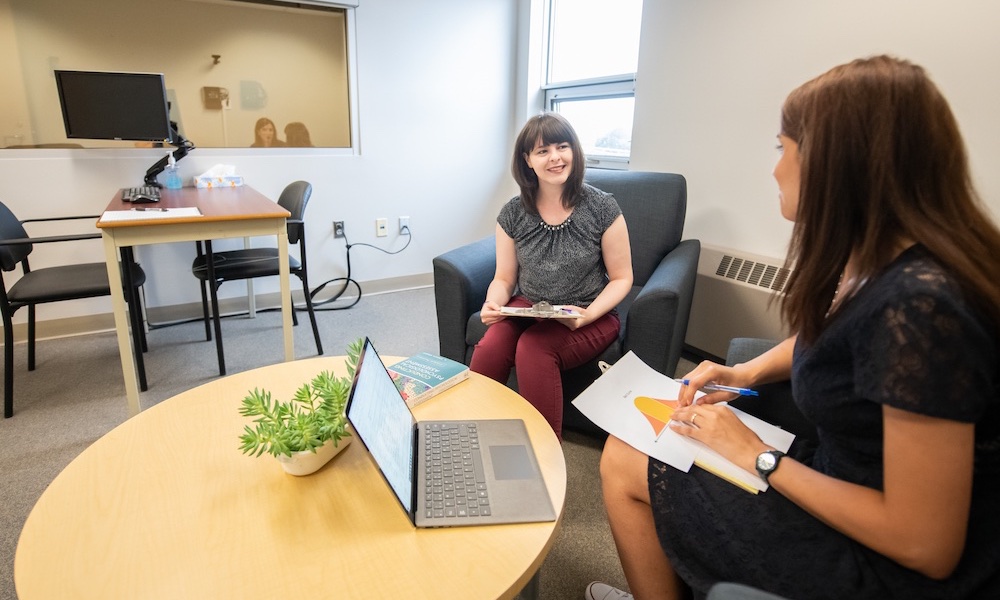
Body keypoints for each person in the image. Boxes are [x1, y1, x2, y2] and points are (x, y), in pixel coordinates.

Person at [588, 55, 1000, 600]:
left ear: (837, 165)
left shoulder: (922, 310)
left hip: (880, 561)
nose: (776, 167)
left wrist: (756, 455)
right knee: (650, 442)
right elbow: (830, 339)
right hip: (843, 474)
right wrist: (746, 368)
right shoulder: (881, 260)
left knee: (624, 460)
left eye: (784, 148)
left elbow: (926, 545)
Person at [472, 112, 633, 440]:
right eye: (543, 151)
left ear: (575, 151)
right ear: (527, 160)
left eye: (563, 146)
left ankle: (544, 452)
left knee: (533, 350)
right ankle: (470, 427)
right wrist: (493, 303)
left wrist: (587, 317)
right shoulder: (512, 213)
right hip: (530, 307)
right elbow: (504, 277)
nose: (555, 157)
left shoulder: (602, 208)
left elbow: (622, 278)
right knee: (491, 346)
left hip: (589, 312)